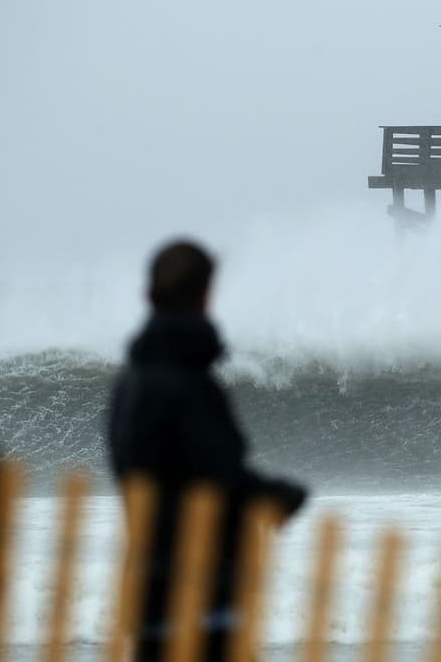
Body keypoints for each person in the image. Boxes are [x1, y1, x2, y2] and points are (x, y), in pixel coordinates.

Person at [107, 239, 307, 661]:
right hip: (201, 597)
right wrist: (280, 495)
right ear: (204, 295)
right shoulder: (187, 384)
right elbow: (219, 477)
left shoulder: (128, 384)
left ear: (148, 295)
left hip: (149, 591)